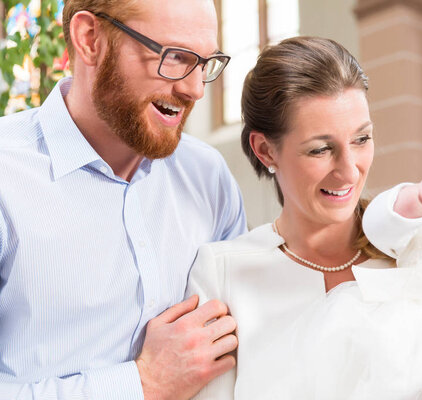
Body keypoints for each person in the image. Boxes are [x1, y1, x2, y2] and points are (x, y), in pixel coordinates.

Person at [186, 37, 422, 399]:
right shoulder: (224, 273)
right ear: (266, 151)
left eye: (361, 139)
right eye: (320, 149)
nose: (350, 171)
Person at [0, 1, 245, 398]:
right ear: (90, 39)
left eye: (205, 63)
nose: (195, 89)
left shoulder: (208, 177)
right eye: (175, 57)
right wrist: (142, 384)